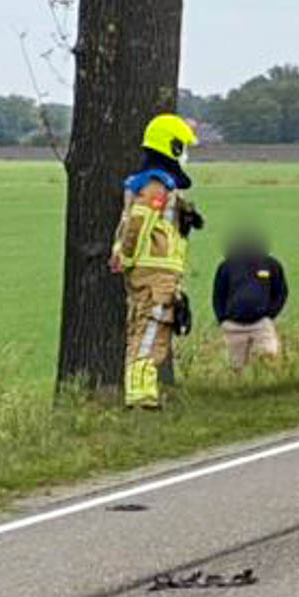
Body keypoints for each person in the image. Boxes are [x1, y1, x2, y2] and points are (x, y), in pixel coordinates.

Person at [109, 114, 202, 410]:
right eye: (183, 147)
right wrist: (126, 257)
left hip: (156, 271)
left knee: (149, 330)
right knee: (150, 331)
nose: (185, 155)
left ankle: (142, 393)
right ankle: (140, 397)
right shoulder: (156, 186)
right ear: (171, 146)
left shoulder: (155, 184)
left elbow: (131, 224)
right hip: (154, 273)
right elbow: (138, 224)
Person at [212, 227, 287, 371]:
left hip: (261, 325)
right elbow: (218, 295)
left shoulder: (271, 265)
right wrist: (223, 319)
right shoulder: (226, 267)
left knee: (269, 361)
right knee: (236, 369)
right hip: (233, 326)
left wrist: (269, 315)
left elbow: (281, 292)